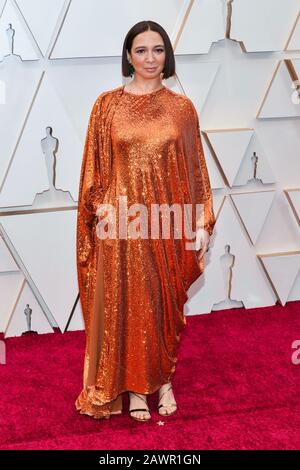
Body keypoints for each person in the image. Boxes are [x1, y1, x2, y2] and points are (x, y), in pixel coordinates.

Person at [75, 20, 216, 422]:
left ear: (167, 55)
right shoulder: (107, 105)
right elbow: (94, 167)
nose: (150, 58)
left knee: (163, 306)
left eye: (158, 50)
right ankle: (137, 388)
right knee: (132, 306)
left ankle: (164, 380)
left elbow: (196, 169)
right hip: (122, 226)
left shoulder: (182, 108)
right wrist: (98, 206)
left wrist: (202, 221)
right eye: (141, 50)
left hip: (169, 222)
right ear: (128, 56)